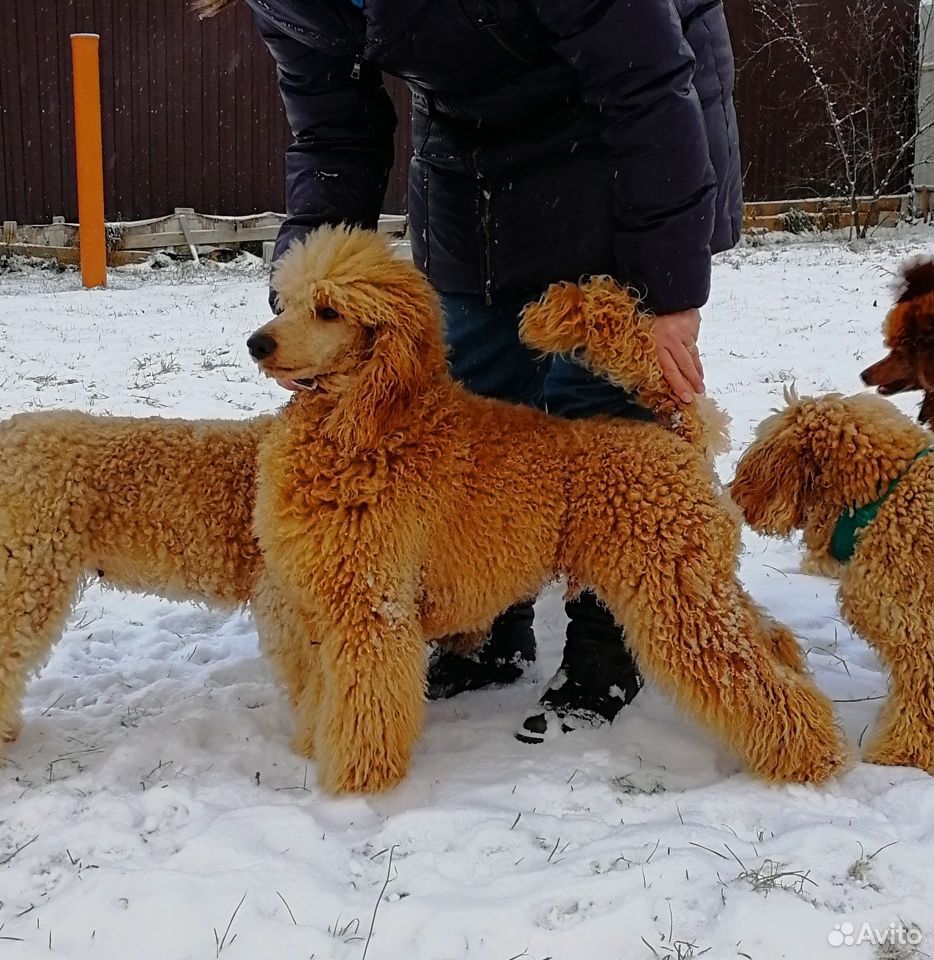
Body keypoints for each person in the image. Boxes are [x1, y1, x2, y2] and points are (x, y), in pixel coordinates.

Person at [197, 0, 743, 742]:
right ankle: (484, 626)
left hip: (634, 135)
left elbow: (645, 80)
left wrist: (669, 290)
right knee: (470, 398)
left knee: (602, 420)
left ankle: (607, 642)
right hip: (472, 154)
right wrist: (305, 296)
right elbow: (334, 135)